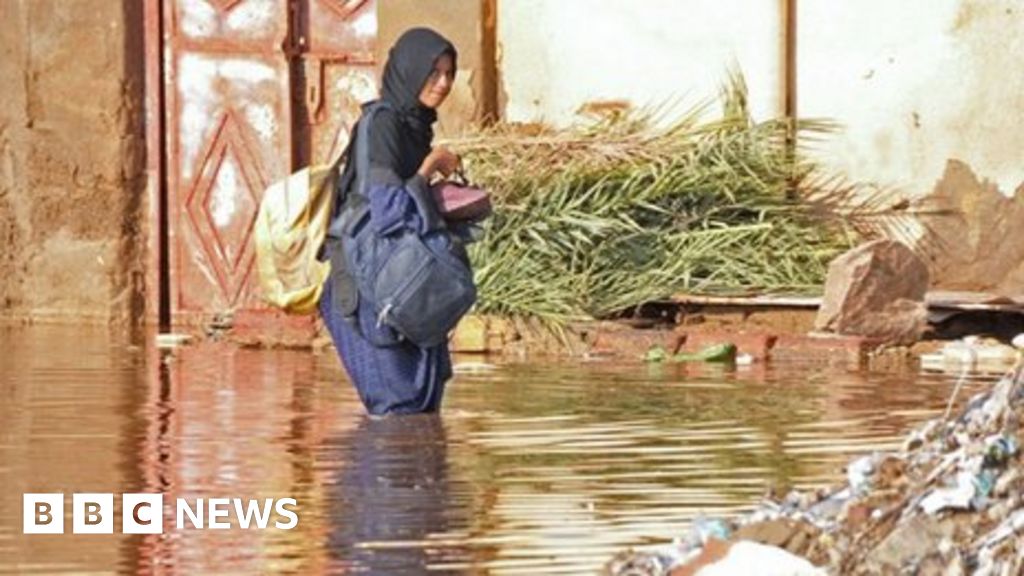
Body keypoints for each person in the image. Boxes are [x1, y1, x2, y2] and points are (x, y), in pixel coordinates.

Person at [319, 27, 463, 416]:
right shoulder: (383, 126)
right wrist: (430, 167)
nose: (443, 84)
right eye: (433, 73)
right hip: (368, 291)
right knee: (396, 414)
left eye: (449, 74)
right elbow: (387, 211)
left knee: (421, 413)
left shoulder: (415, 127)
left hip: (404, 285)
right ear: (409, 71)